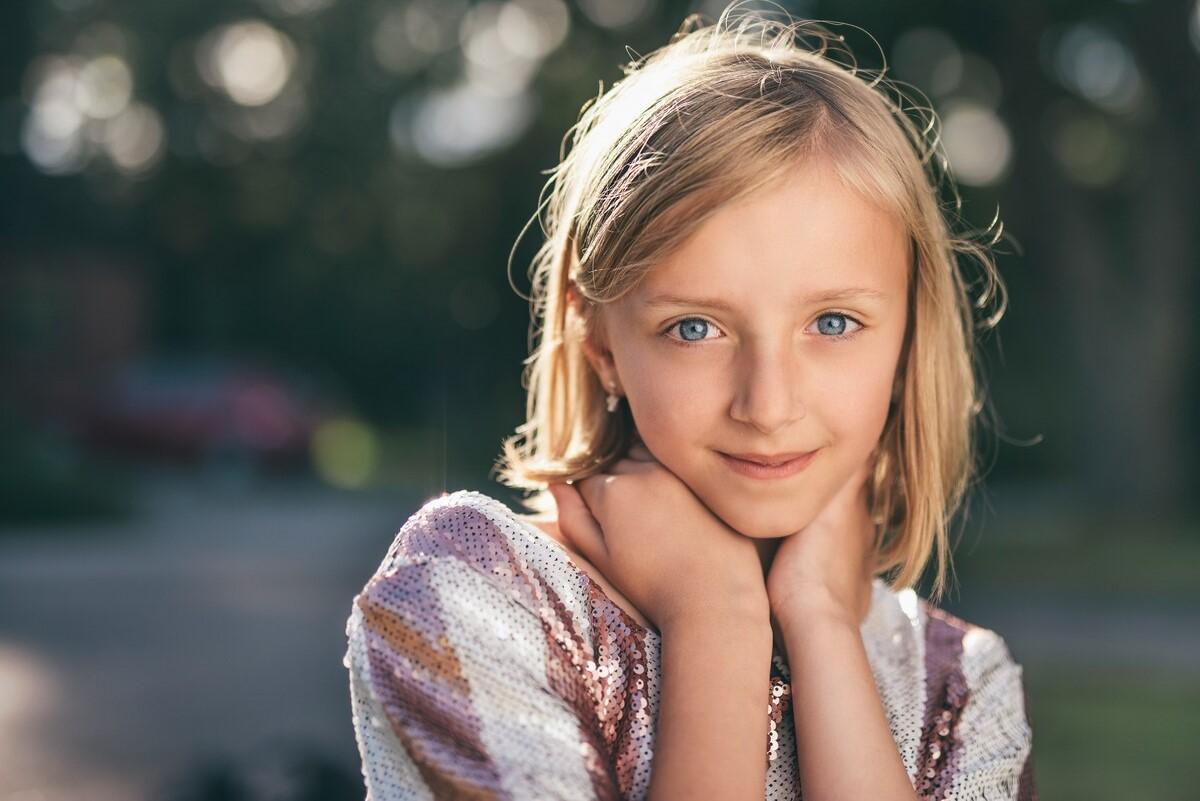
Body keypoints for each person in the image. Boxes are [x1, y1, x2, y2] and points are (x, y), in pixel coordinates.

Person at [344, 5, 1037, 800]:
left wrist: (819, 621)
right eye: (696, 327)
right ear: (601, 343)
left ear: (910, 335)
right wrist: (716, 618)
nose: (768, 404)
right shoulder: (475, 594)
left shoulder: (964, 683)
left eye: (834, 321)